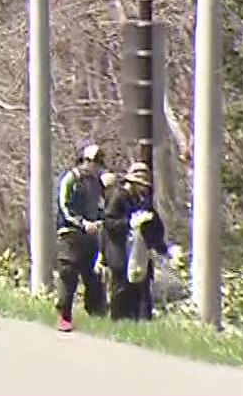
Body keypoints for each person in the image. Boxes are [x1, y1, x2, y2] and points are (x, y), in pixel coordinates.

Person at [103, 161, 172, 320]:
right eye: (140, 184)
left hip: (140, 255)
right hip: (121, 253)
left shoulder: (143, 201)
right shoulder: (118, 197)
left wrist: (162, 249)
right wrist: (129, 223)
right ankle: (119, 323)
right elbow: (109, 223)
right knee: (121, 292)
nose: (143, 188)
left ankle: (141, 322)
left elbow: (155, 226)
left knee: (142, 293)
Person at [54, 142, 107, 332]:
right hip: (70, 235)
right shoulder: (71, 179)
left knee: (93, 276)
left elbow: (100, 206)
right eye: (94, 162)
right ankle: (64, 316)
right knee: (68, 275)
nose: (96, 167)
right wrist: (82, 223)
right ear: (85, 160)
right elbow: (64, 206)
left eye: (99, 163)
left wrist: (101, 221)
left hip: (91, 237)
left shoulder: (97, 183)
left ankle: (98, 316)